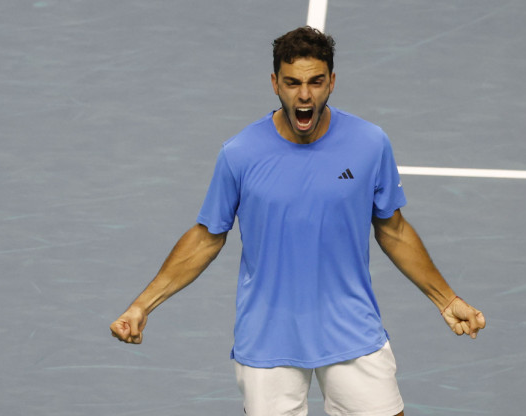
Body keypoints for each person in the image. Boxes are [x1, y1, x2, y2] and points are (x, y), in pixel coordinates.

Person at [110, 26, 486, 416]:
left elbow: (393, 229)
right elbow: (206, 238)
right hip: (268, 338)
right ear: (275, 83)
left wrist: (446, 300)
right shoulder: (239, 154)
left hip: (351, 330)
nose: (304, 95)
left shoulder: (370, 144)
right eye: (292, 83)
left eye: (315, 82)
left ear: (332, 82)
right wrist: (142, 306)